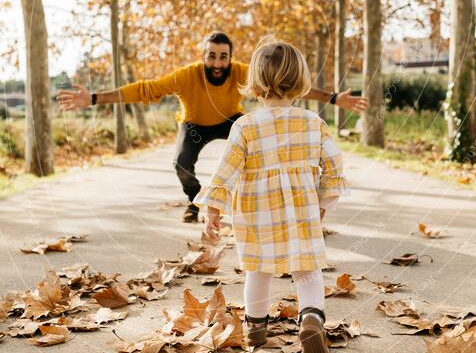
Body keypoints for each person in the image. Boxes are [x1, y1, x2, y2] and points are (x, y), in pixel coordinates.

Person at [57, 30, 367, 223]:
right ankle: (196, 202)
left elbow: (287, 83)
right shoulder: (187, 76)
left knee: (245, 157)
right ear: (203, 57)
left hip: (231, 120)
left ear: (231, 58)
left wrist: (335, 98)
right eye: (212, 57)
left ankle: (251, 200)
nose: (217, 63)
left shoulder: (240, 73)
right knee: (181, 163)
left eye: (223, 57)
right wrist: (95, 97)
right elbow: (145, 89)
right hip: (194, 124)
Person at [195, 37, 348, 353]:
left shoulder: (245, 126)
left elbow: (226, 171)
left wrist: (213, 207)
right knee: (307, 272)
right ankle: (311, 319)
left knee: (258, 270)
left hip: (256, 214)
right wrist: (324, 203)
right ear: (300, 80)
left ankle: (256, 329)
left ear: (256, 80)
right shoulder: (313, 123)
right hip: (302, 211)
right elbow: (334, 166)